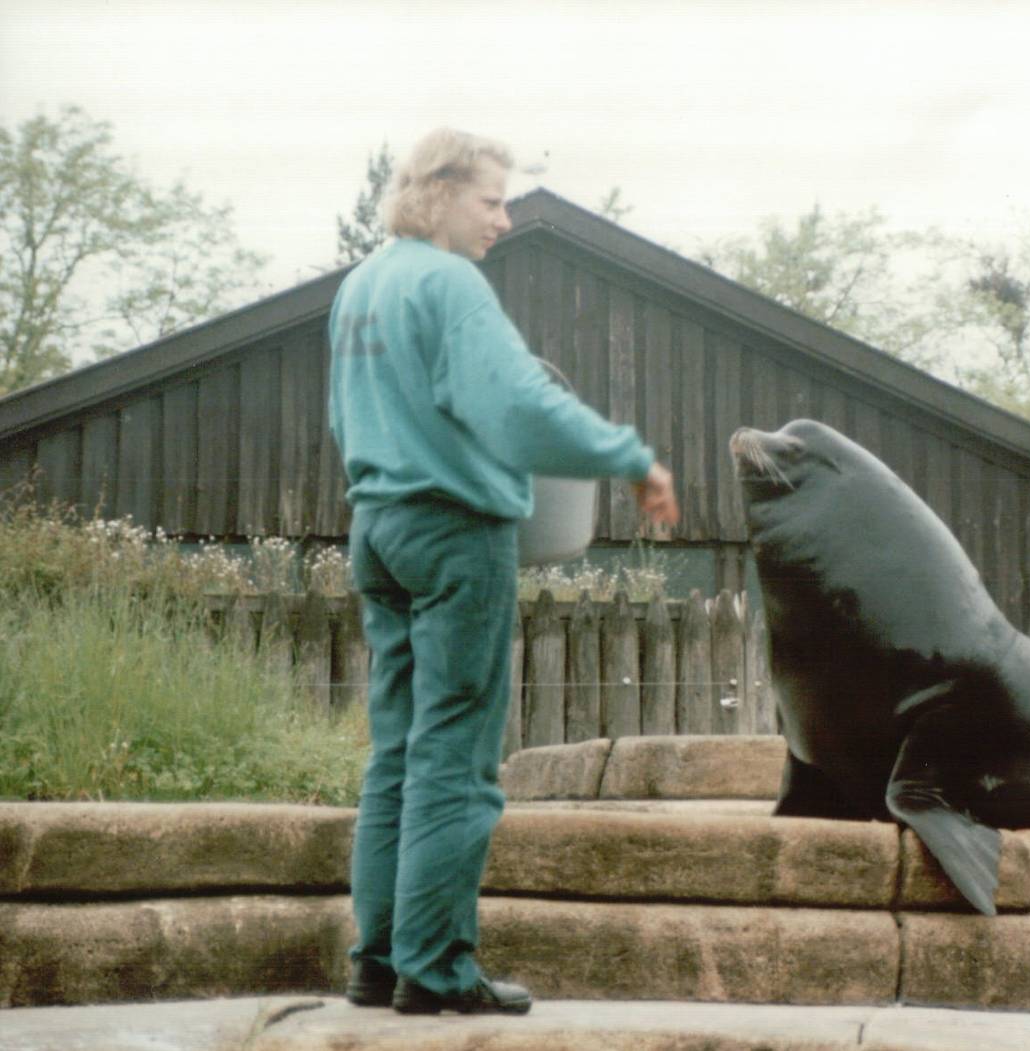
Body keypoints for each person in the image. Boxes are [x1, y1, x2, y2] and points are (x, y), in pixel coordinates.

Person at [327, 128, 679, 1015]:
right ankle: (436, 966)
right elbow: (517, 406)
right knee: (458, 754)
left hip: (376, 526)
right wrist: (627, 457)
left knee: (398, 751)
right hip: (453, 531)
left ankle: (375, 958)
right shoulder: (447, 282)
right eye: (490, 199)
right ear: (438, 193)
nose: (504, 217)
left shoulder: (363, 285)